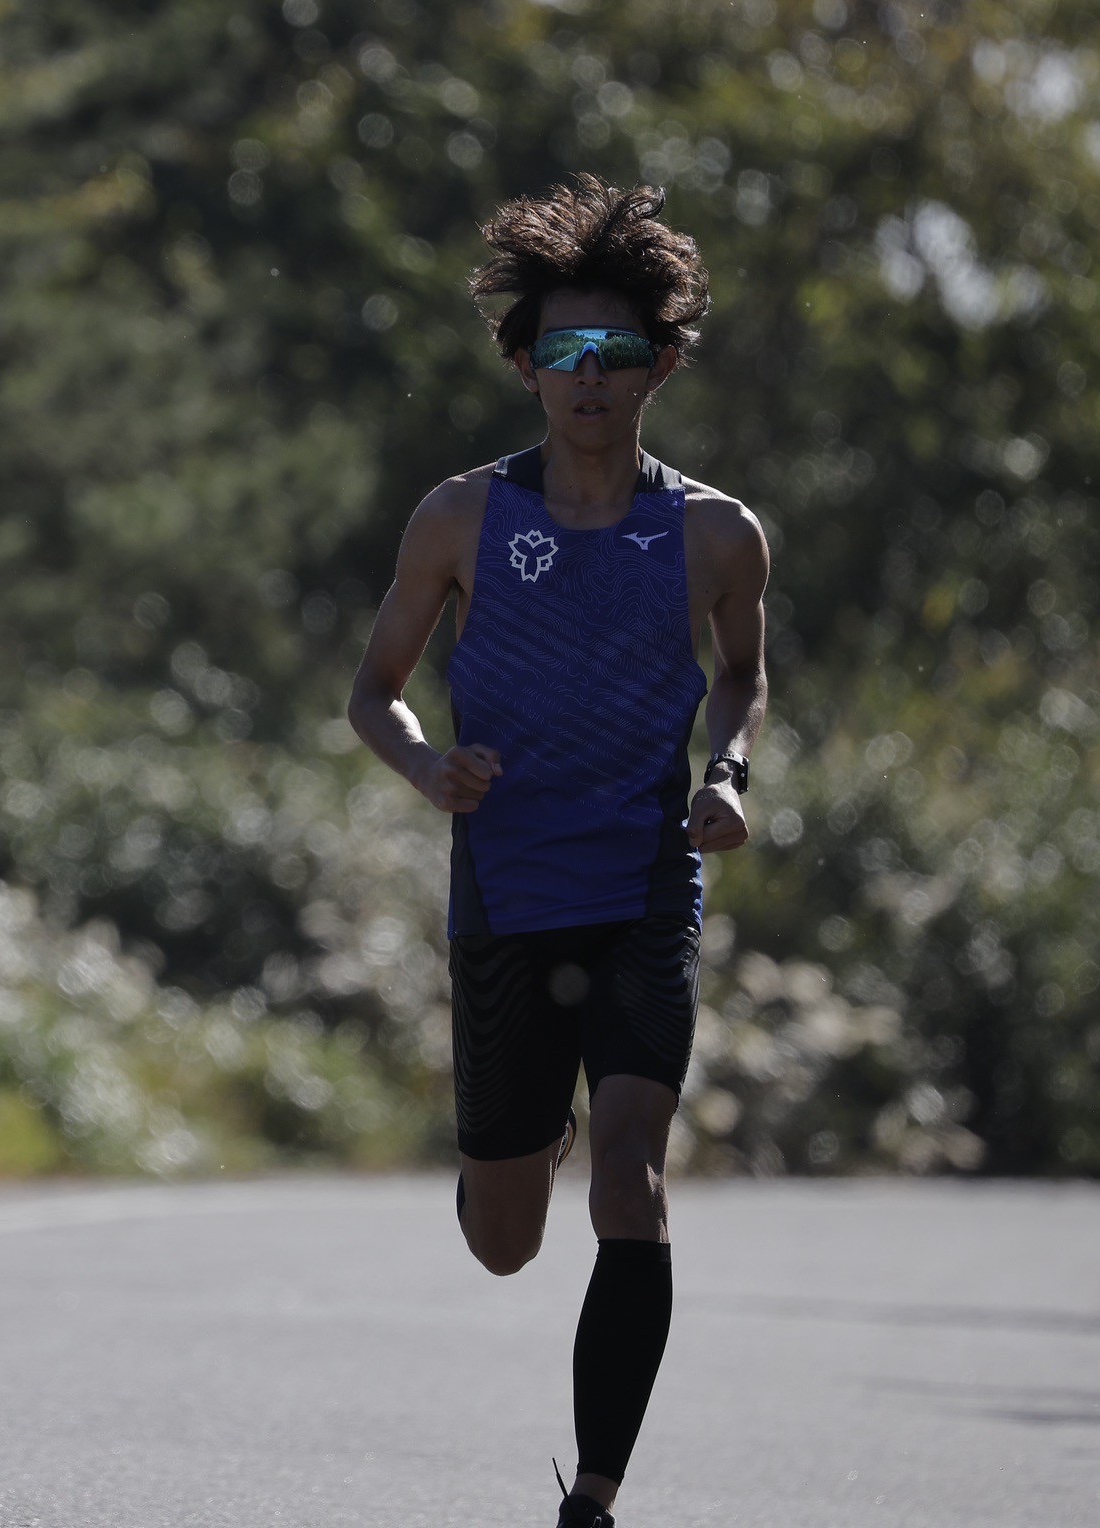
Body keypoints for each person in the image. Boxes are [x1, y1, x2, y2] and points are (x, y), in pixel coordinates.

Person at [346, 177, 768, 1527]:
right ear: (524, 366)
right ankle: (524, 1137)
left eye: (616, 351)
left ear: (660, 364)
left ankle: (591, 1494)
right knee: (502, 1240)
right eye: (564, 351)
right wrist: (428, 767)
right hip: (507, 887)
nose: (590, 376)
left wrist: (725, 773)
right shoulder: (460, 517)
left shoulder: (713, 533)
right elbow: (372, 691)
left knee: (630, 1182)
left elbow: (740, 678)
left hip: (643, 883)